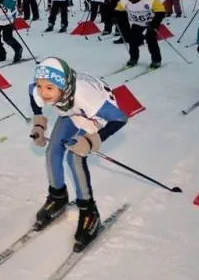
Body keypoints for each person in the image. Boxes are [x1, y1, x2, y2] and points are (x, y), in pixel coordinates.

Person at [28, 57, 128, 252]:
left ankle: (89, 211)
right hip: (71, 111)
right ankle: (58, 197)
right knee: (53, 151)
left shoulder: (87, 97)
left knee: (75, 157)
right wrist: (39, 125)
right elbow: (33, 95)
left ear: (63, 86)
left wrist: (92, 140)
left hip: (94, 116)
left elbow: (120, 118)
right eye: (40, 86)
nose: (43, 93)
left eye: (49, 88)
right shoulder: (42, 90)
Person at [114, 0, 166, 68]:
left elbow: (160, 11)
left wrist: (155, 22)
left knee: (151, 40)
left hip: (150, 22)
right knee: (132, 40)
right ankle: (133, 58)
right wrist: (118, 20)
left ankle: (156, 59)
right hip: (136, 23)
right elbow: (119, 11)